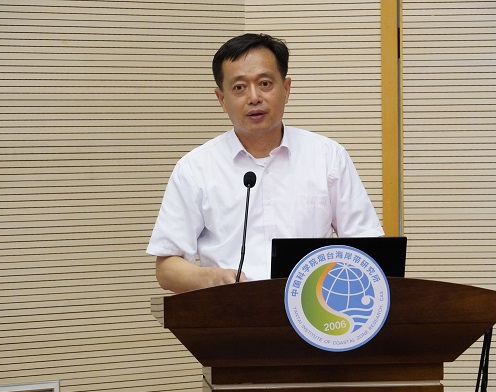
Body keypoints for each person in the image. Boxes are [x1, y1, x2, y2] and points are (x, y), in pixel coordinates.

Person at [147, 33, 384, 293]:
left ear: (286, 89)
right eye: (239, 87)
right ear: (222, 99)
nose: (254, 97)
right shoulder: (195, 168)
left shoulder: (328, 157)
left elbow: (369, 248)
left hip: (314, 308)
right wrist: (214, 279)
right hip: (231, 308)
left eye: (265, 83)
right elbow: (167, 268)